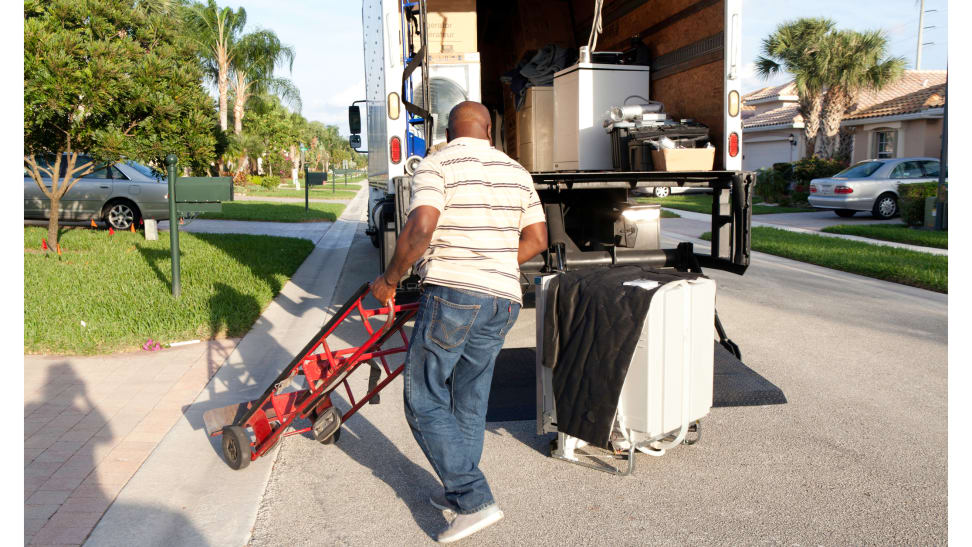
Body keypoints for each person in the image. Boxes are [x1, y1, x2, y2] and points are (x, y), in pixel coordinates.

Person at [369, 101, 547, 543]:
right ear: (489, 128)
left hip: (453, 293)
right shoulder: (517, 171)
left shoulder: (438, 162)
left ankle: (473, 499)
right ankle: (458, 491)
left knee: (423, 396)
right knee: (469, 396)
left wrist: (391, 279)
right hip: (504, 299)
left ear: (448, 131)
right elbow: (538, 239)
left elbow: (421, 224)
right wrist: (494, 263)